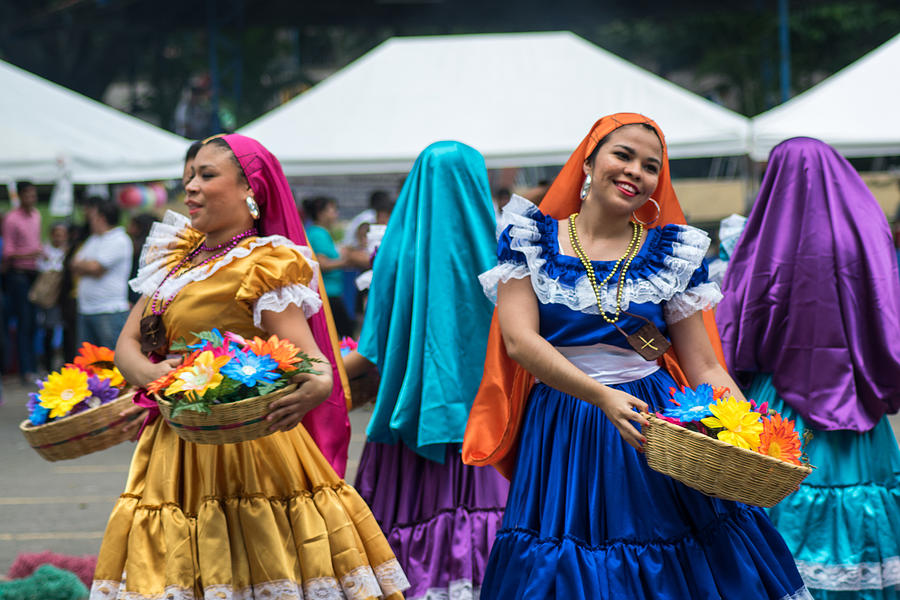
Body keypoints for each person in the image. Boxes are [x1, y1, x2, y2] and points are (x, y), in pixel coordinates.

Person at [462, 113, 810, 599]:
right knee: (570, 551)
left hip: (655, 423)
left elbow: (704, 365)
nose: (634, 172)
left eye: (650, 166)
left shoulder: (671, 253)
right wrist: (601, 397)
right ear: (589, 160)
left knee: (679, 546)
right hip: (568, 417)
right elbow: (521, 342)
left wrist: (750, 430)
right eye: (622, 155)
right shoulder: (530, 238)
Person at [90, 134, 408, 599]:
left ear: (249, 190)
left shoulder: (263, 264)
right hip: (175, 446)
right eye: (188, 177)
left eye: (206, 175)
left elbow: (311, 360)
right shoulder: (176, 263)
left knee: (257, 565)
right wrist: (159, 378)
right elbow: (127, 345)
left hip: (250, 451)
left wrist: (316, 386)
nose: (191, 187)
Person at [716, 137, 900, 599]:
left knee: (774, 517)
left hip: (779, 411)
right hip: (857, 413)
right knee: (861, 520)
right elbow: (887, 316)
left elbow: (739, 326)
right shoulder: (866, 233)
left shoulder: (764, 242)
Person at [343, 141, 509, 600]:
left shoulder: (394, 255)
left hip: (408, 429)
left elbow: (372, 347)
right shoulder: (502, 255)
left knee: (402, 542)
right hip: (486, 428)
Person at [70, 197, 133, 349]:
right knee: (87, 363)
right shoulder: (93, 239)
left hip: (109, 310)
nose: (89, 220)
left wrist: (85, 267)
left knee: (110, 361)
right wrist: (88, 267)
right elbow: (73, 264)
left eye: (92, 216)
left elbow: (95, 268)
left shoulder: (119, 239)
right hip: (86, 309)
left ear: (101, 218)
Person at [302, 196, 363, 338]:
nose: (336, 214)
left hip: (330, 293)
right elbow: (322, 263)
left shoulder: (318, 232)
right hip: (329, 294)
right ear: (321, 213)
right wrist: (348, 261)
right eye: (332, 210)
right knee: (345, 336)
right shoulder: (318, 233)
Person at [3, 181, 42, 381]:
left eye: (33, 195)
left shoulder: (36, 215)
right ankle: (25, 369)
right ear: (20, 196)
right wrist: (32, 253)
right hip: (18, 275)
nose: (32, 199)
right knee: (24, 322)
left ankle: (33, 366)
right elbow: (8, 253)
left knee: (34, 322)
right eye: (28, 195)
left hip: (34, 273)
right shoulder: (12, 219)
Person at [35, 222, 68, 372]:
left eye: (62, 235)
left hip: (63, 298)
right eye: (57, 234)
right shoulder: (44, 251)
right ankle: (47, 364)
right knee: (48, 329)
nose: (59, 238)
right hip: (49, 298)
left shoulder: (68, 251)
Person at [126, 213, 158, 305]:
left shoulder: (137, 249)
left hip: (136, 297)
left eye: (132, 225)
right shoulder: (155, 249)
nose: (128, 228)